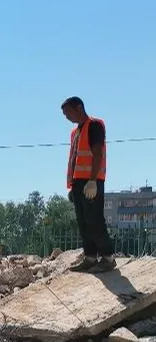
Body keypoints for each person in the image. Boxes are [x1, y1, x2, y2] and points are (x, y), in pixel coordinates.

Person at [62, 96, 116, 273]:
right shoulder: (75, 132)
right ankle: (90, 257)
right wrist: (72, 186)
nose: (67, 117)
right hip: (78, 183)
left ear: (79, 108)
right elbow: (74, 160)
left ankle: (107, 257)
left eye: (68, 112)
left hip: (92, 181)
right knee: (83, 222)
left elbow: (97, 154)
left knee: (94, 220)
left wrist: (92, 181)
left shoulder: (94, 125)